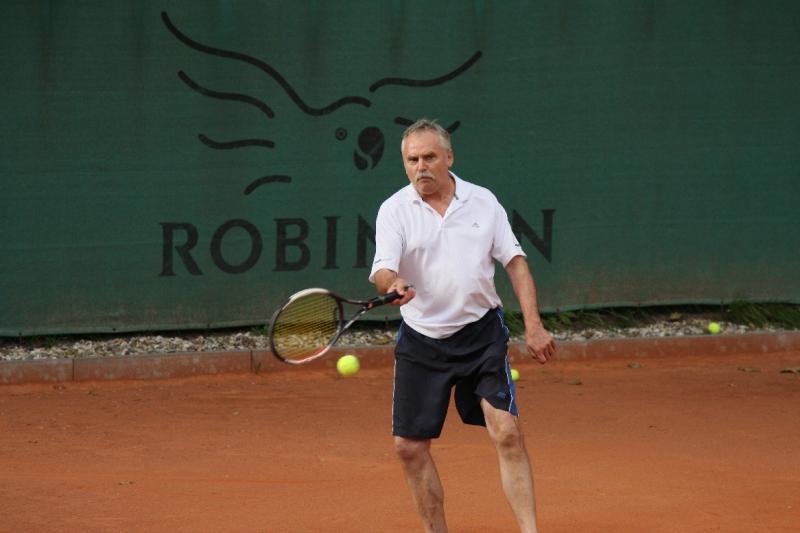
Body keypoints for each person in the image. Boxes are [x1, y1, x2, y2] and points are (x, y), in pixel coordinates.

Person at [369, 118, 556, 533]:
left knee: (506, 431)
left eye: (429, 157)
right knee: (408, 447)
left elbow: (516, 263)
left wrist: (534, 325)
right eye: (412, 160)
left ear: (449, 157)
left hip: (480, 335)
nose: (421, 167)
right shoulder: (394, 209)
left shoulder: (482, 202)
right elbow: (383, 270)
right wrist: (392, 283)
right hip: (422, 341)